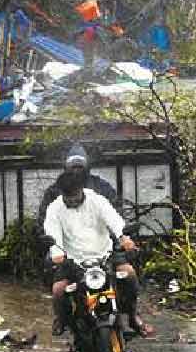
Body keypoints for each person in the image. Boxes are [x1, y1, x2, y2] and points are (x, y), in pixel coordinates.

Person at [44, 171, 154, 337]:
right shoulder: (54, 209)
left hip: (105, 254)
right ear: (62, 194)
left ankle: (132, 316)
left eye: (75, 196)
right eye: (68, 197)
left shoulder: (96, 200)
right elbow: (53, 234)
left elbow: (114, 220)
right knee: (59, 290)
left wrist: (123, 238)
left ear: (81, 189)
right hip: (73, 259)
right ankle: (62, 319)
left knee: (130, 275)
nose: (72, 200)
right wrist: (57, 252)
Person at [37, 143, 119, 231]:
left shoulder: (103, 187)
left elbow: (116, 216)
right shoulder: (54, 190)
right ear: (67, 168)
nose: (76, 170)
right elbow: (44, 220)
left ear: (87, 167)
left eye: (80, 167)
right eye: (73, 167)